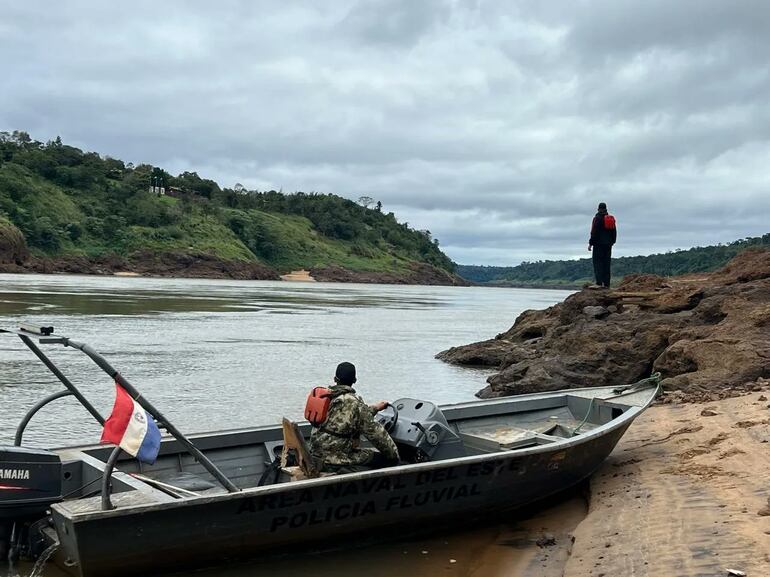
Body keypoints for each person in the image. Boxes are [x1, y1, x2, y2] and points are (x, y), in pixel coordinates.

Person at [309, 362, 399, 472]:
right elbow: (377, 434)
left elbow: (347, 416)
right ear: (354, 380)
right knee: (382, 459)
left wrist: (375, 408)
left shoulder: (326, 397)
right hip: (335, 459)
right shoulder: (354, 403)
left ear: (335, 379)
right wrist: (394, 455)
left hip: (315, 454)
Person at [588, 202, 617, 287]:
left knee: (598, 263)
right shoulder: (610, 219)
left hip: (598, 245)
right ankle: (607, 284)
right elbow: (614, 232)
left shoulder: (597, 218)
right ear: (606, 209)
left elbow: (594, 232)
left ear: (598, 209)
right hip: (608, 245)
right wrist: (612, 242)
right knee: (606, 264)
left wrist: (590, 243)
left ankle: (599, 283)